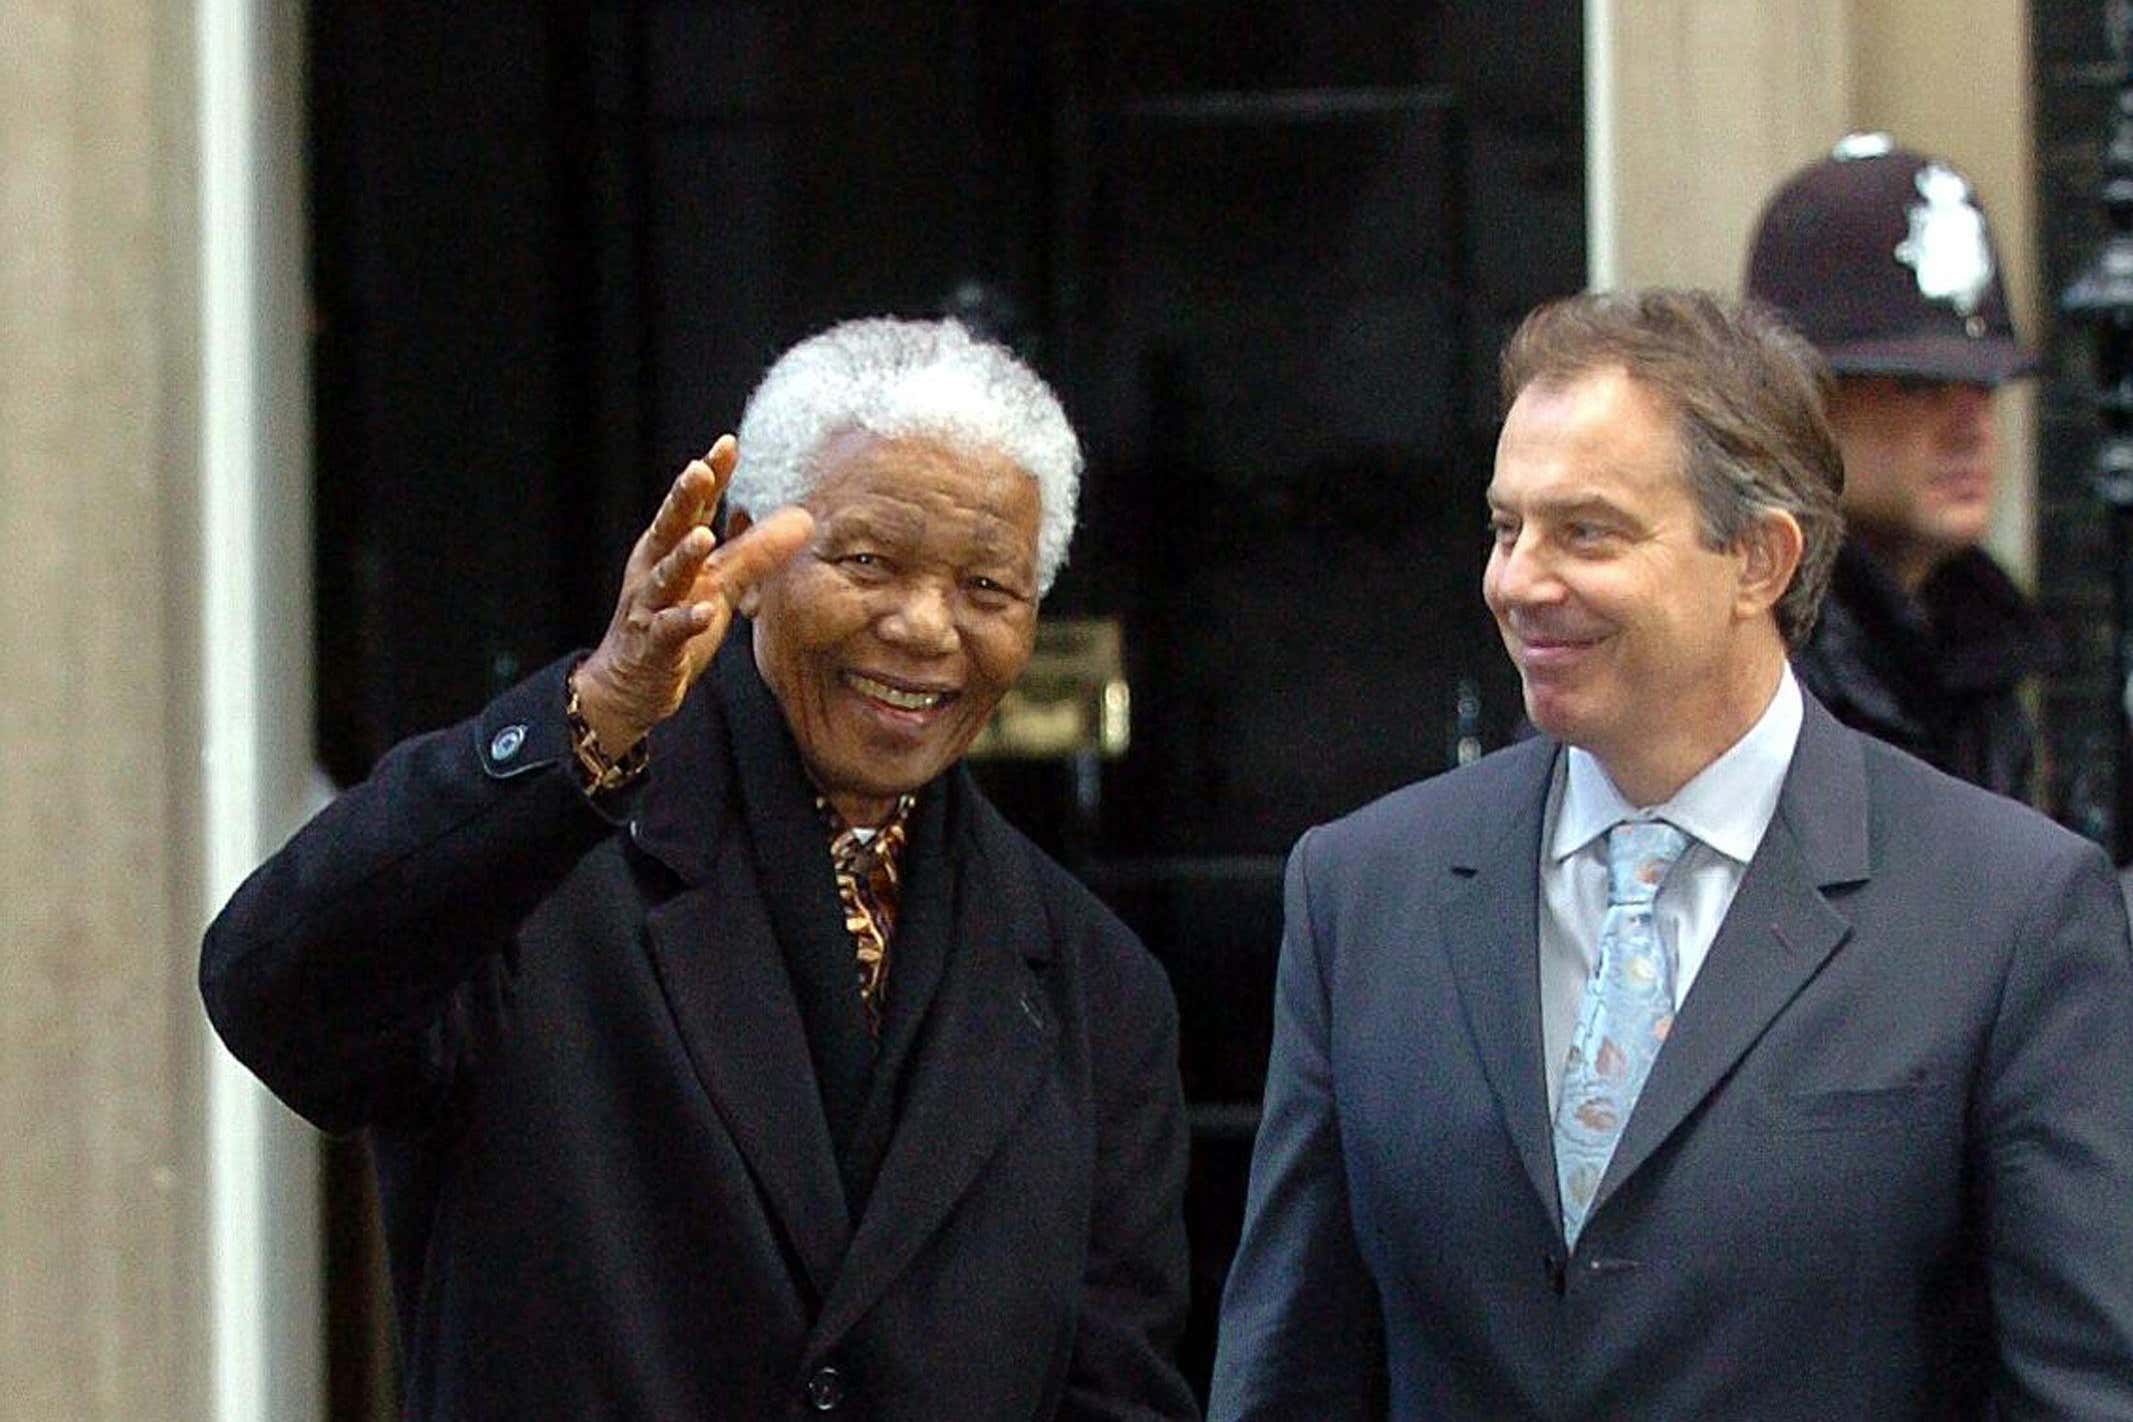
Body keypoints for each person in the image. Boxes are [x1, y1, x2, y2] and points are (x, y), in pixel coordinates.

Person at [201, 317, 1199, 1420]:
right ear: (745, 553)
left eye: (986, 588)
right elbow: (274, 994)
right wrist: (591, 719)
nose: (925, 626)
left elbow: (1119, 1394)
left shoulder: (1092, 983)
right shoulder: (539, 871)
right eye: (868, 560)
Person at [1208, 290, 2133, 1418]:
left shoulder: (2009, 910)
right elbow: (1292, 1363)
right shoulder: (1361, 891)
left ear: (1759, 561)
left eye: (1585, 531)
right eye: (1507, 528)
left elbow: (2077, 1386)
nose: (1518, 581)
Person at [1746, 132, 2045, 800]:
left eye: (1984, 389)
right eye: (1917, 386)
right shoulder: (1739, 665)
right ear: (1805, 403)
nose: (1971, 427)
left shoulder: (1982, 655)